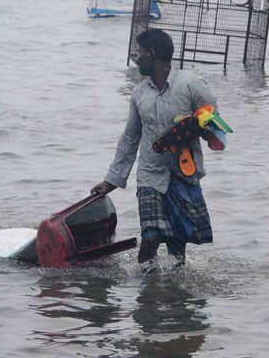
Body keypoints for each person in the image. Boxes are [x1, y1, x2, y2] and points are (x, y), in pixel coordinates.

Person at [91, 29, 226, 267]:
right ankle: (147, 295)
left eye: (140, 52)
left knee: (178, 242)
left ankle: (174, 291)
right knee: (150, 237)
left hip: (184, 174)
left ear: (151, 54)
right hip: (149, 176)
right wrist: (110, 182)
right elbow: (129, 140)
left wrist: (201, 128)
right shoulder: (139, 94)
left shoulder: (192, 85)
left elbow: (216, 126)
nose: (136, 57)